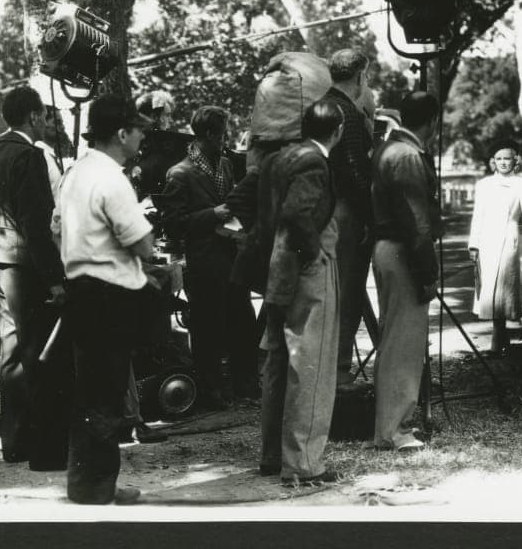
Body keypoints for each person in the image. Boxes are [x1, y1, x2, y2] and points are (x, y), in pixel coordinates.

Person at [58, 93, 155, 505]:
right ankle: (99, 489)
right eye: (137, 132)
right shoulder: (113, 178)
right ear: (121, 133)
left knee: (89, 393)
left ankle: (86, 484)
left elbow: (53, 226)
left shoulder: (75, 173)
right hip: (109, 296)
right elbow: (144, 245)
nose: (141, 140)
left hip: (79, 289)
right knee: (107, 394)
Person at [0, 86, 70, 470]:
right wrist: (55, 280)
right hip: (26, 265)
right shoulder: (28, 156)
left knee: (12, 354)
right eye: (44, 116)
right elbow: (36, 224)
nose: (47, 122)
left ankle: (15, 444)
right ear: (33, 116)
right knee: (41, 357)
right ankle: (45, 453)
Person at [258, 100, 344, 485]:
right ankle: (305, 464)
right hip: (305, 268)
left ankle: (273, 456)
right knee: (312, 364)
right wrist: (315, 255)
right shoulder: (315, 161)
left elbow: (263, 209)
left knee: (278, 361)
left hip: (277, 268)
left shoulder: (280, 157)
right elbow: (297, 213)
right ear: (338, 131)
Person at [370, 91, 441, 452]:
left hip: (389, 250)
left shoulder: (389, 148)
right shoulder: (408, 155)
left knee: (393, 340)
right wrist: (428, 271)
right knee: (404, 344)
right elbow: (417, 223)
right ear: (433, 122)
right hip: (402, 251)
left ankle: (388, 427)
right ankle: (396, 430)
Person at [158, 106, 240, 408]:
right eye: (221, 134)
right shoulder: (180, 174)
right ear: (208, 135)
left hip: (229, 254)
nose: (225, 139)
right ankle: (209, 389)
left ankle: (229, 384)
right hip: (203, 261)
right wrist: (211, 215)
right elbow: (173, 222)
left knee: (230, 322)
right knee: (207, 328)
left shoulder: (225, 166)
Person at [322, 48, 380, 384]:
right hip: (347, 214)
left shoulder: (320, 107)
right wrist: (371, 219)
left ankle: (331, 369)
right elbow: (357, 174)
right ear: (359, 76)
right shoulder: (348, 112)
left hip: (323, 212)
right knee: (348, 293)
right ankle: (341, 373)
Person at [467, 139, 522, 353]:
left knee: (504, 290)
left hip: (508, 239)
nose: (503, 163)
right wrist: (474, 244)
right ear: (493, 161)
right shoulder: (484, 185)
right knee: (489, 290)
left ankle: (498, 339)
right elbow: (478, 216)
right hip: (487, 241)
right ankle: (499, 337)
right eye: (499, 159)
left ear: (515, 161)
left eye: (507, 158)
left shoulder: (521, 184)